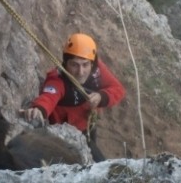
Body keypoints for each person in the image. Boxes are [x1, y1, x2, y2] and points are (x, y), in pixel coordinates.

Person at [23, 33, 126, 162]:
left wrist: (101, 96)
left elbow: (118, 89)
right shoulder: (58, 80)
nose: (80, 71)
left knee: (93, 147)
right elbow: (48, 97)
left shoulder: (97, 70)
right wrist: (39, 109)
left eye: (85, 65)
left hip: (89, 123)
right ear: (66, 63)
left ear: (92, 63)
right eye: (74, 65)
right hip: (70, 135)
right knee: (99, 163)